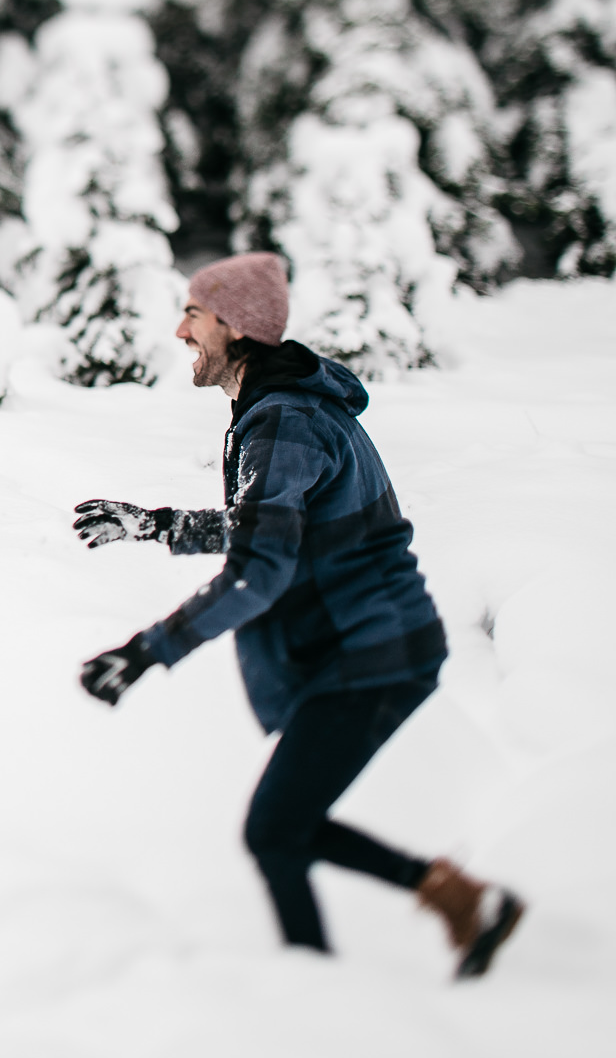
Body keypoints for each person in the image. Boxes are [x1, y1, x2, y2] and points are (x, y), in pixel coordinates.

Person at [71, 252, 522, 978]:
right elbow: (273, 527)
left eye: (194, 312)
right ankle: (454, 899)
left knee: (276, 831)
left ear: (236, 325)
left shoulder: (283, 422)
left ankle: (318, 990)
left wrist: (148, 651)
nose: (180, 328)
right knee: (282, 828)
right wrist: (156, 524)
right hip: (370, 646)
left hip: (372, 653)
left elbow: (257, 573)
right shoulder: (283, 414)